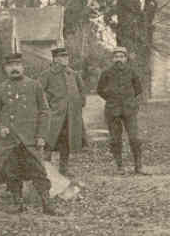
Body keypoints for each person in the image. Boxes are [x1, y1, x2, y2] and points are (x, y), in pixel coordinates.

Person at [0, 53, 59, 215]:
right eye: (10, 66)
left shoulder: (35, 86)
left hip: (31, 139)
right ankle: (17, 203)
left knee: (39, 172)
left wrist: (41, 135)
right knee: (11, 172)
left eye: (17, 65)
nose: (14, 68)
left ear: (22, 67)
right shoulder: (0, 89)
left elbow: (44, 112)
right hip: (10, 140)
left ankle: (47, 204)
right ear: (5, 69)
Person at [96, 46, 146, 174]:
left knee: (135, 138)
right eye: (116, 56)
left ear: (126, 58)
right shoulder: (106, 73)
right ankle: (119, 166)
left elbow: (138, 89)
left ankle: (138, 166)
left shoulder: (132, 72)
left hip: (129, 110)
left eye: (121, 56)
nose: (119, 59)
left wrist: (129, 100)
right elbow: (100, 90)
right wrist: (112, 99)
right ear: (113, 58)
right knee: (115, 139)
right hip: (113, 110)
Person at [39, 47, 85, 177]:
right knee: (48, 142)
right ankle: (45, 171)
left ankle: (64, 169)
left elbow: (82, 91)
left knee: (66, 143)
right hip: (54, 117)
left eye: (66, 56)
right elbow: (39, 93)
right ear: (55, 59)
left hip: (70, 117)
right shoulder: (46, 75)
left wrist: (79, 104)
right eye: (62, 56)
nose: (65, 59)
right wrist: (48, 107)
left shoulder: (73, 74)